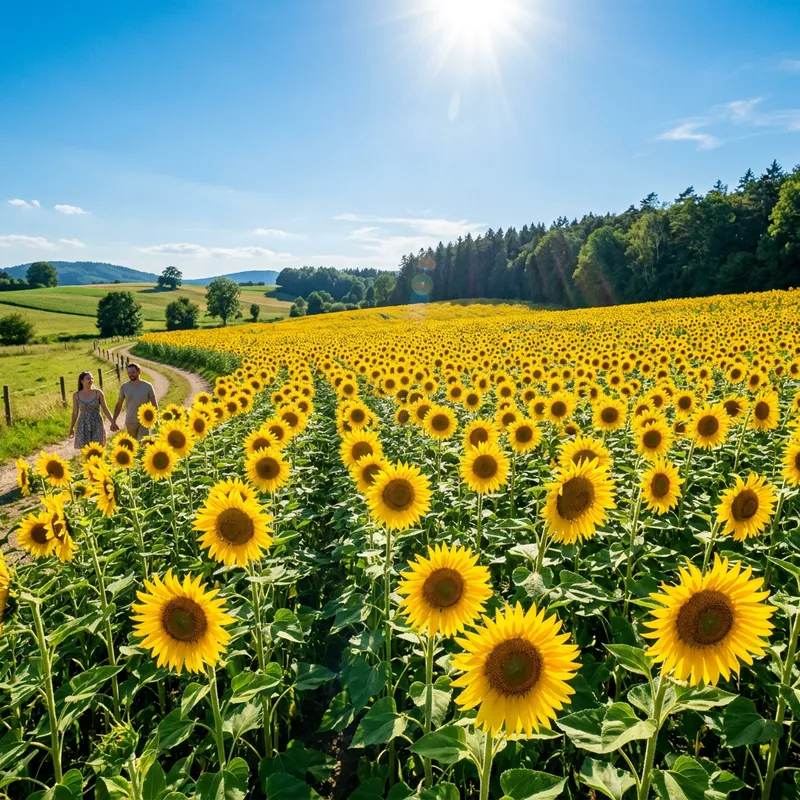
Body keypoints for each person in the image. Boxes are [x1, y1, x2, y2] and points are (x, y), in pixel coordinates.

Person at [111, 362, 158, 439]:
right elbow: (119, 404)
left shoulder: (148, 386)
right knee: (134, 446)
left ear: (139, 372)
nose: (131, 374)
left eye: (133, 372)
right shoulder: (124, 387)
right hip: (130, 422)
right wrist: (114, 421)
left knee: (142, 442)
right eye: (129, 373)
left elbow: (154, 405)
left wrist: (155, 420)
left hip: (144, 421)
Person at [69, 371, 114, 448]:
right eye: (88, 378)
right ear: (82, 381)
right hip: (83, 424)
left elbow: (105, 409)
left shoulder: (98, 393)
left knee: (98, 448)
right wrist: (72, 427)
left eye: (92, 378)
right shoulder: (76, 395)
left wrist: (113, 422)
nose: (91, 380)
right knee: (85, 449)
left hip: (97, 423)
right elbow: (75, 413)